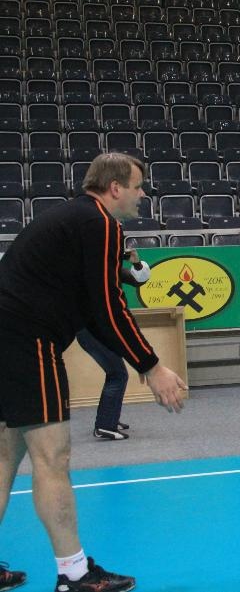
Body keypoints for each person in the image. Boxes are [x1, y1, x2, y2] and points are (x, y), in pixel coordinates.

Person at [0, 153, 187, 592]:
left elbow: (92, 299)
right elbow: (108, 308)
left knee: (5, 456)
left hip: (9, 335)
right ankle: (74, 574)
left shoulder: (77, 219)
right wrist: (152, 366)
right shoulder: (100, 223)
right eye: (138, 187)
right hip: (27, 341)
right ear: (115, 188)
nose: (143, 195)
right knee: (53, 458)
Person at [78, 249, 152, 441]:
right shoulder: (90, 271)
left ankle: (109, 420)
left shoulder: (109, 268)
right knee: (118, 374)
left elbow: (139, 280)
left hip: (101, 331)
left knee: (116, 373)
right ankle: (104, 426)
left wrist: (136, 263)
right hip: (91, 331)